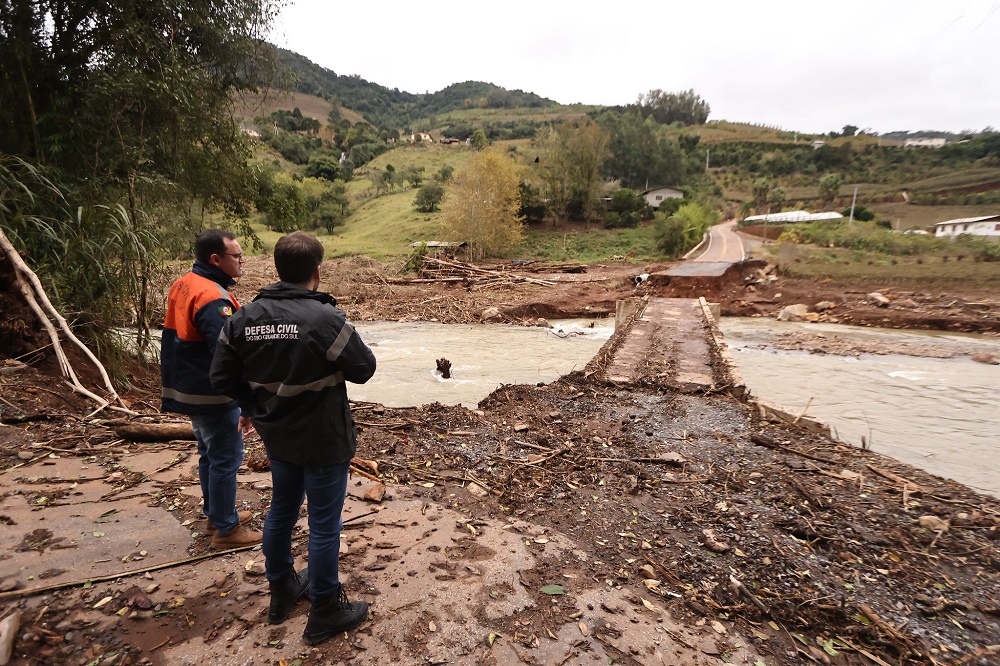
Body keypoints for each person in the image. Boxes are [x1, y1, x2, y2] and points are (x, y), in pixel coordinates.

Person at [210, 231, 376, 643]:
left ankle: (282, 586)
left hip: (277, 432)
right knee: (323, 523)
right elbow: (364, 368)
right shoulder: (325, 319)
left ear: (278, 269)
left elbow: (221, 376)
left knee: (282, 508)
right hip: (324, 436)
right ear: (317, 271)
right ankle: (325, 608)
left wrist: (253, 405)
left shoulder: (243, 318)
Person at [161, 229, 262, 550]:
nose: (242, 261)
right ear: (216, 259)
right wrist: (247, 403)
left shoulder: (184, 283)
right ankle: (226, 529)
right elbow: (228, 354)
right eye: (237, 256)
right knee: (225, 457)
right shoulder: (212, 297)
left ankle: (215, 513)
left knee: (209, 453)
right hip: (212, 393)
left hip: (187, 387)